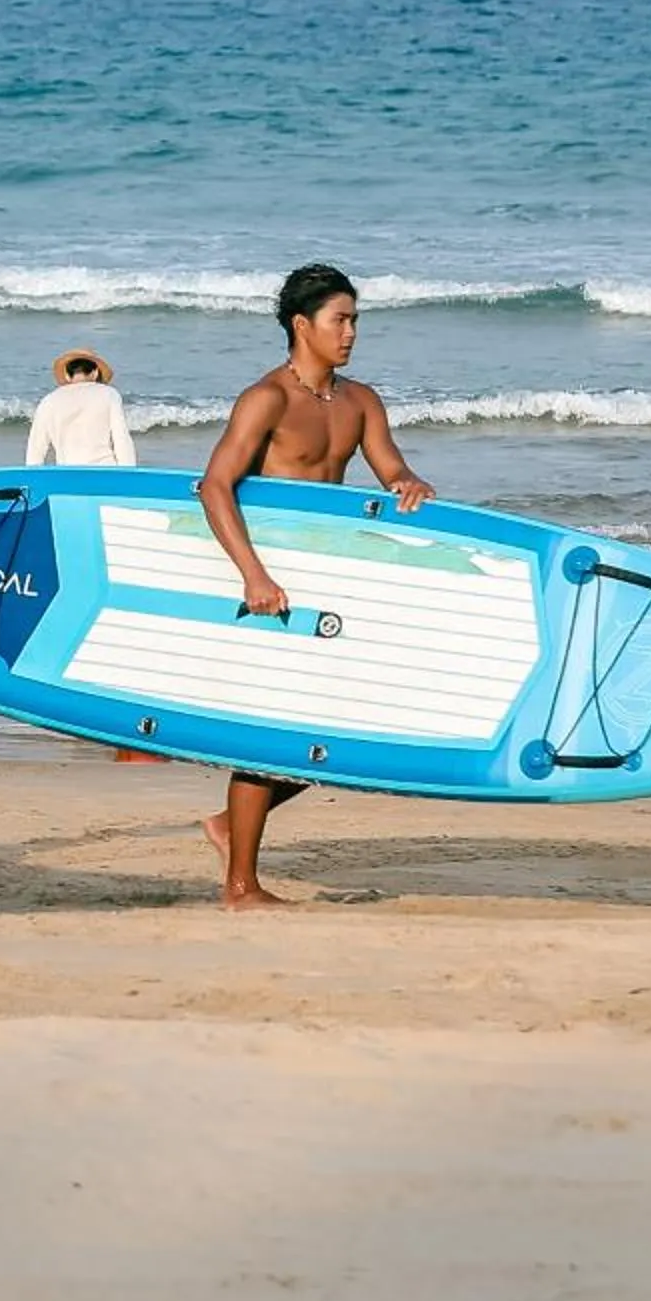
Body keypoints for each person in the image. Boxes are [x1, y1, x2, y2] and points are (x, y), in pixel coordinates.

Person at [195, 263, 433, 910]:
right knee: (271, 730)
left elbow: (391, 469)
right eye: (341, 320)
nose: (352, 332)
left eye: (355, 320)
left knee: (353, 723)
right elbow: (214, 486)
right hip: (269, 579)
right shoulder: (266, 399)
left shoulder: (361, 402)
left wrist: (407, 484)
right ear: (303, 326)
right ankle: (240, 886)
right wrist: (253, 575)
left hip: (327, 574)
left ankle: (227, 827)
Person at [26, 349, 136, 466]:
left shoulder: (48, 401)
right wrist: (129, 474)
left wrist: (32, 480)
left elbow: (36, 449)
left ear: (68, 376)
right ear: (95, 373)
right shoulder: (109, 394)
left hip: (67, 474)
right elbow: (121, 439)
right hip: (103, 472)